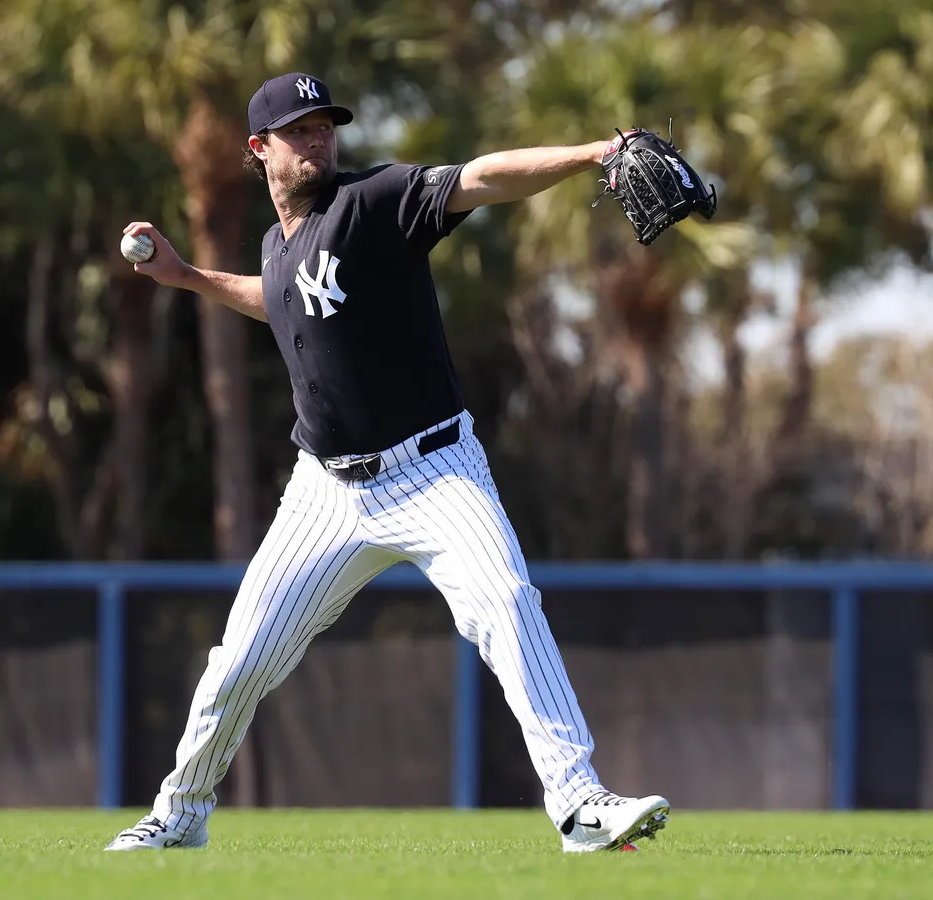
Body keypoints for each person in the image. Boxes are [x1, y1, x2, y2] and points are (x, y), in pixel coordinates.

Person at [105, 72, 669, 854]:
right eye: (299, 129)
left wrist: (592, 154)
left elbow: (479, 177)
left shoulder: (372, 202)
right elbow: (277, 297)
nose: (317, 138)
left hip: (435, 469)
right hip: (324, 492)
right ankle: (180, 815)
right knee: (239, 663)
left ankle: (580, 805)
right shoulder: (279, 245)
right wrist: (190, 277)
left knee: (507, 603)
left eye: (324, 125)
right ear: (257, 148)